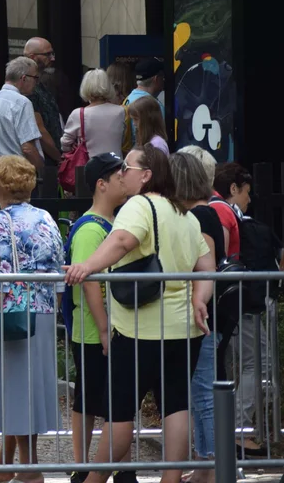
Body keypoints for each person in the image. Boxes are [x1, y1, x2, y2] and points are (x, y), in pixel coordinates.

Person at [64, 145, 214, 483]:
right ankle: (171, 478)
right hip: (182, 328)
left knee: (119, 412)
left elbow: (122, 240)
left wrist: (86, 266)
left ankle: (94, 481)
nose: (122, 173)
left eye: (127, 168)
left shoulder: (139, 205)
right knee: (175, 405)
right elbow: (206, 265)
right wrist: (199, 299)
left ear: (145, 175)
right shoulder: (185, 214)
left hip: (139, 329)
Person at [0, 155, 64, 483]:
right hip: (41, 311)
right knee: (26, 390)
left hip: (10, 313)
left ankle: (30, 468)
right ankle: (6, 464)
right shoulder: (46, 218)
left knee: (16, 392)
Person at [169, 149, 229, 482]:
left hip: (203, 315)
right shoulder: (203, 214)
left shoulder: (202, 217)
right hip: (202, 313)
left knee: (203, 390)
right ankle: (205, 461)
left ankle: (209, 464)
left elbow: (204, 265)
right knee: (201, 389)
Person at [66, 152, 126, 470]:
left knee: (103, 397)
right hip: (92, 329)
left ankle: (99, 463)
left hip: (104, 326)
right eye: (119, 176)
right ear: (102, 184)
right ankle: (81, 464)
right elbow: (88, 281)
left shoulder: (112, 223)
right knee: (89, 398)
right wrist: (103, 329)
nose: (125, 179)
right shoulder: (91, 229)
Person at [211, 162, 275, 459]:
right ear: (234, 189)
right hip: (238, 305)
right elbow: (222, 260)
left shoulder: (224, 213)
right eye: (246, 192)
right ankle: (237, 431)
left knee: (245, 365)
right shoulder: (225, 213)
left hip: (233, 306)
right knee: (257, 364)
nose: (250, 200)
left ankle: (235, 430)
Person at [0, 57, 44, 170]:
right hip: (20, 172)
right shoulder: (22, 102)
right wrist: (41, 169)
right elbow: (27, 147)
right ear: (24, 78)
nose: (36, 83)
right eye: (35, 78)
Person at [62, 69, 126, 159]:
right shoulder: (120, 111)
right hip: (116, 164)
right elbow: (123, 139)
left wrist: (72, 148)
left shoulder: (78, 114)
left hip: (88, 166)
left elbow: (65, 143)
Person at [23, 37, 64, 165]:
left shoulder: (40, 84)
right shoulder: (27, 88)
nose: (52, 58)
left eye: (52, 53)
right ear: (32, 57)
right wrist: (59, 158)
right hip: (43, 162)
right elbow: (39, 130)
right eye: (47, 54)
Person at [122, 58, 166, 151]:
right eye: (163, 78)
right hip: (149, 156)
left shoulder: (128, 99)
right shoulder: (153, 105)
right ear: (156, 79)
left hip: (132, 155)